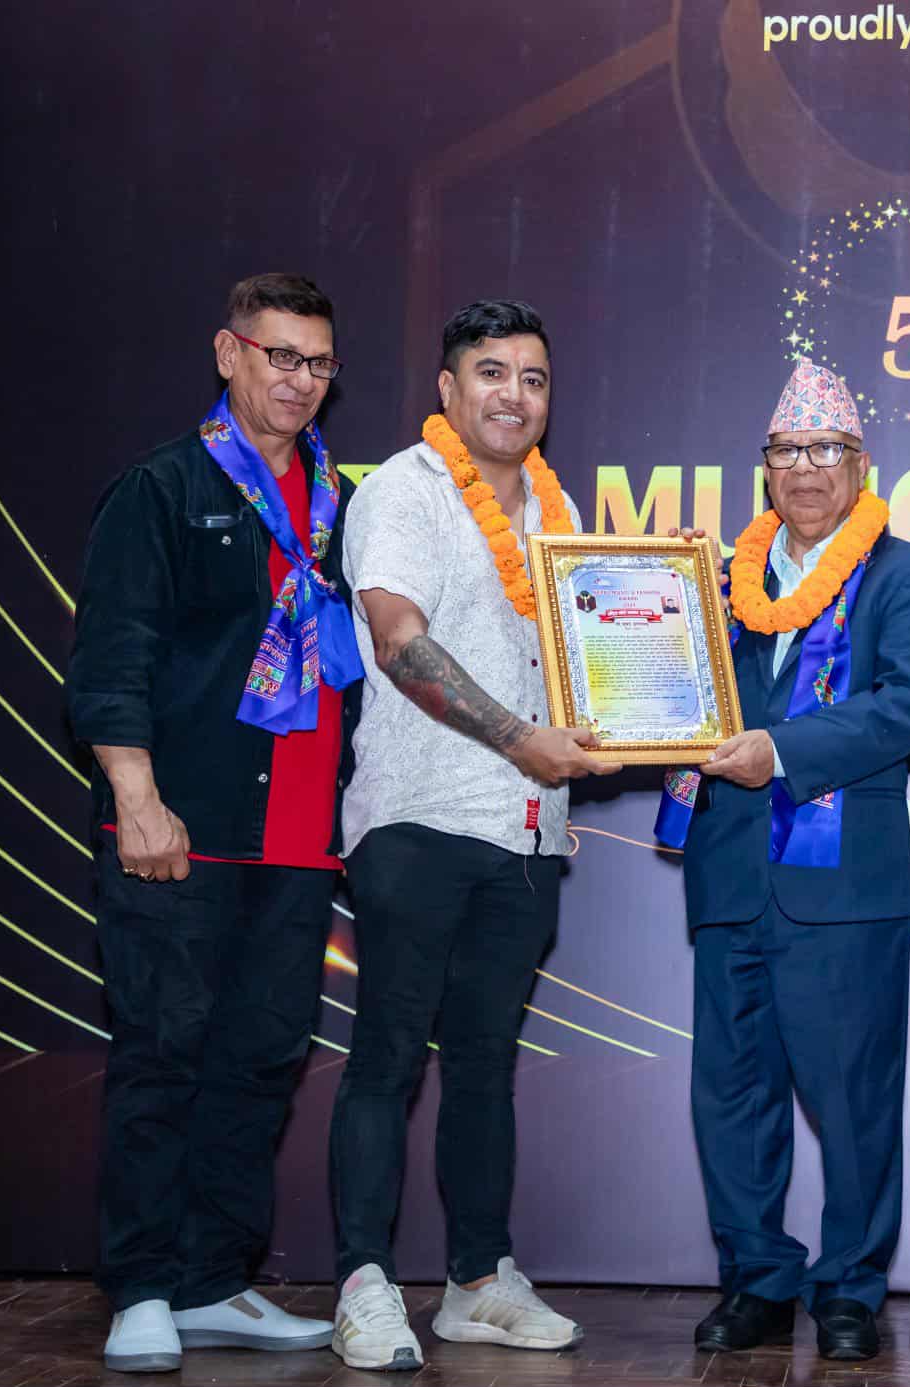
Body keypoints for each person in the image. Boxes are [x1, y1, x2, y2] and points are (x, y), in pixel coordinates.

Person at [68, 272, 362, 1372]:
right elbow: (113, 655)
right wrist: (136, 798)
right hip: (180, 828)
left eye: (318, 362)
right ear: (229, 353)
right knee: (162, 1053)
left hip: (299, 836)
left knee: (261, 1057)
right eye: (280, 355)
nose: (299, 379)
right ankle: (142, 1285)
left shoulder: (341, 504)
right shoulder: (162, 488)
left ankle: (213, 1281)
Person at [326, 300, 615, 1371]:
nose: (513, 394)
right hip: (420, 817)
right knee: (388, 1053)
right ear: (448, 389)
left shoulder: (557, 507)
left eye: (533, 377)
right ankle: (363, 1283)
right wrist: (518, 739)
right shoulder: (405, 490)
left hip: (528, 833)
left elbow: (592, 656)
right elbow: (399, 638)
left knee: (486, 1062)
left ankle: (478, 1281)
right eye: (490, 372)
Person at [665, 357, 910, 1362]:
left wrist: (780, 752)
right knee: (733, 1095)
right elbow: (673, 690)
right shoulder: (719, 582)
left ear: (860, 464)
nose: (805, 468)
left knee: (853, 1098)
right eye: (787, 450)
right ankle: (756, 1279)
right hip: (730, 874)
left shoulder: (908, 577)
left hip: (844, 889)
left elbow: (906, 707)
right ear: (765, 467)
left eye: (825, 449)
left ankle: (849, 1288)